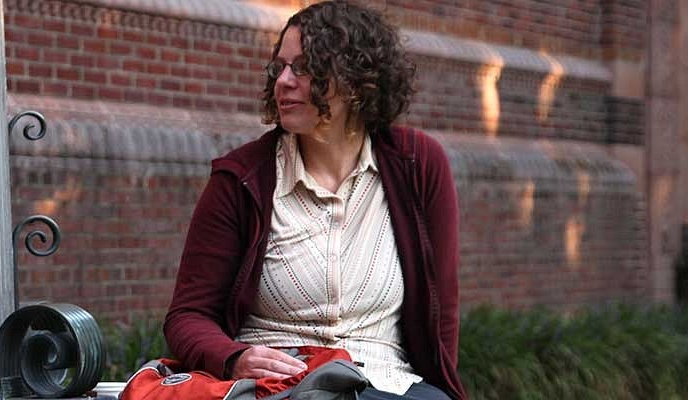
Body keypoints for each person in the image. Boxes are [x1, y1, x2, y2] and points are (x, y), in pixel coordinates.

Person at [162, 1, 465, 399]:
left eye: (304, 68)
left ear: (357, 82)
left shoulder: (417, 164)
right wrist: (233, 357)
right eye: (280, 68)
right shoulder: (240, 179)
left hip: (384, 379)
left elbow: (442, 314)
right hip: (276, 386)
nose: (284, 81)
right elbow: (188, 316)